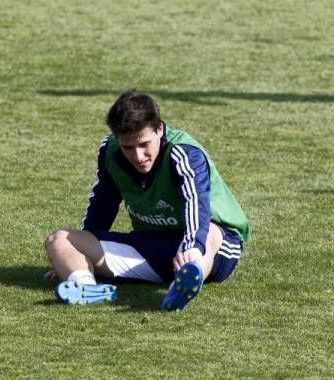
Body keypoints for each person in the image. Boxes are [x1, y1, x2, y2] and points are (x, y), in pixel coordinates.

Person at [44, 89, 250, 311]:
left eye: (144, 144)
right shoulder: (110, 151)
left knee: (209, 232)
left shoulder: (183, 153)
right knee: (59, 240)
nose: (138, 156)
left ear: (159, 128)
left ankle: (186, 282)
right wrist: (77, 256)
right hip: (149, 246)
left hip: (208, 245)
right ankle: (85, 287)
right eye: (128, 147)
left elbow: (196, 204)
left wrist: (192, 247)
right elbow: (103, 203)